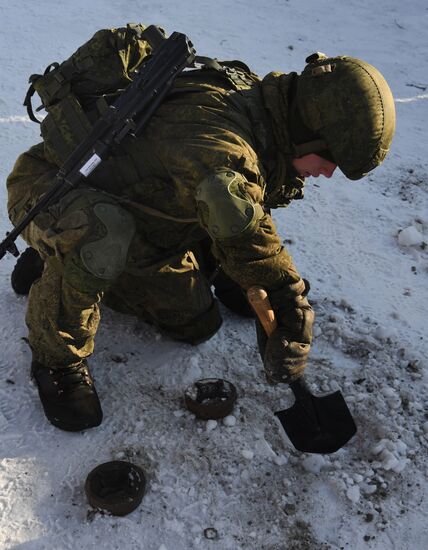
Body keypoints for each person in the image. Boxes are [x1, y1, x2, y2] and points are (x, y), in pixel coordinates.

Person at [6, 24, 396, 432]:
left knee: (196, 322)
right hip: (54, 190)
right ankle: (56, 350)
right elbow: (238, 215)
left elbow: (236, 208)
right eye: (330, 158)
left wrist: (251, 277)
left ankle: (75, 259)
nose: (330, 173)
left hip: (137, 198)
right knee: (103, 237)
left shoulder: (260, 105)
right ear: (310, 132)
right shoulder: (223, 151)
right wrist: (284, 300)